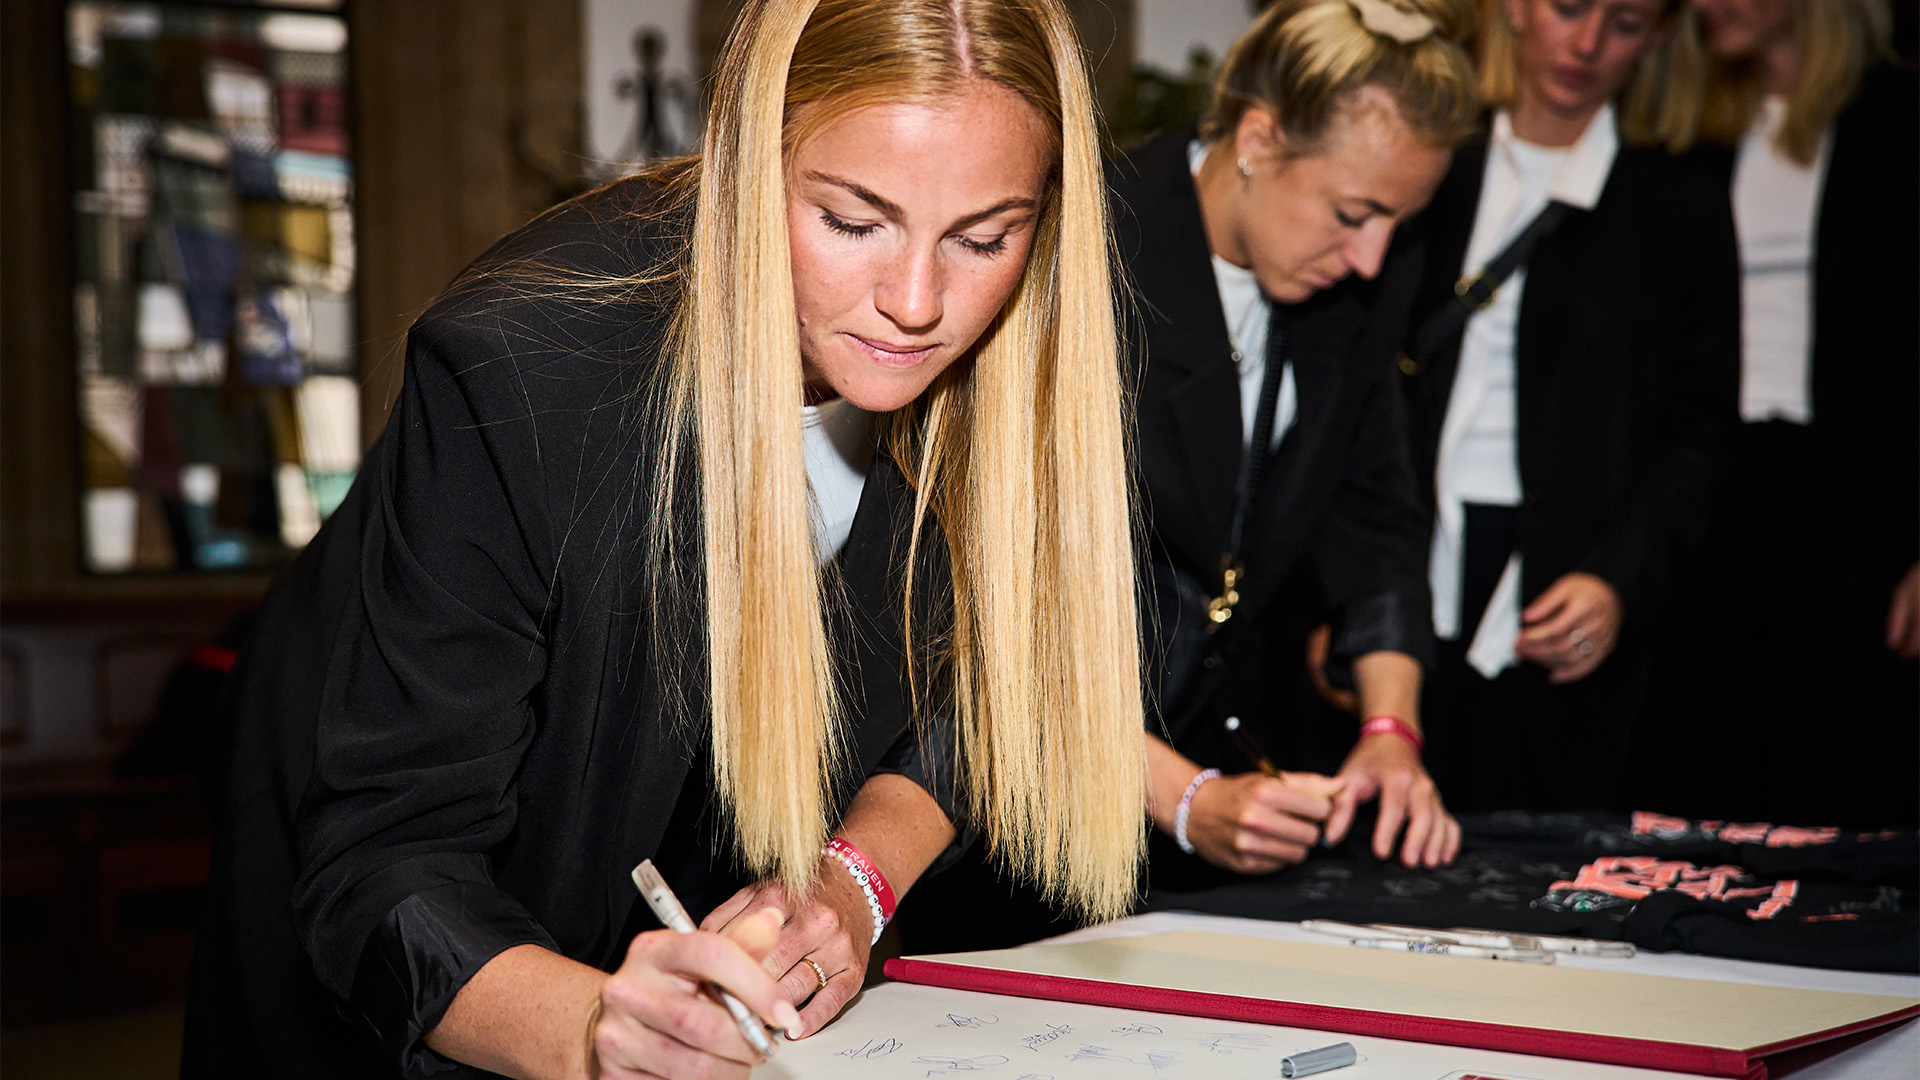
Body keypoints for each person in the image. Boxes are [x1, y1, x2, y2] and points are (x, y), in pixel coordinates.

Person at [180, 1, 1146, 1077]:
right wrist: (594, 1030)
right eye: (852, 221)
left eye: (983, 237)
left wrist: (852, 881)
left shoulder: (1023, 367)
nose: (917, 304)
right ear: (752, 161)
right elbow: (384, 865)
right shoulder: (521, 367)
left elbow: (980, 695)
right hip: (407, 961)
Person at [896, 0, 1480, 955]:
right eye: (1354, 212)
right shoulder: (1087, 252)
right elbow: (1003, 617)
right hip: (1019, 791)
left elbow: (1378, 516)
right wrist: (1183, 797)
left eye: (1399, 223)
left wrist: (1390, 730)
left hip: (1216, 787)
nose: (1374, 256)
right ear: (1257, 139)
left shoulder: (1362, 275)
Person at [1398, 0, 1739, 813]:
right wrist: (1337, 595)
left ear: (1658, 39)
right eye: (1570, 8)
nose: (1587, 44)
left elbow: (1699, 430)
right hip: (1412, 550)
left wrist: (1621, 579)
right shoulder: (1429, 165)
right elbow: (1354, 388)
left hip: (1571, 571)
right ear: (1513, 8)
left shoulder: (1678, 202)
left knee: (1542, 855)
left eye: (1624, 22)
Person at [1633, 0, 1917, 825]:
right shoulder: (1679, 130)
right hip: (1702, 492)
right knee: (1691, 794)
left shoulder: (1898, 120)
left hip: (1860, 514)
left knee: (1850, 798)